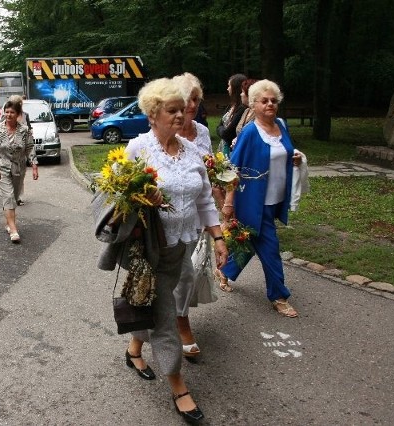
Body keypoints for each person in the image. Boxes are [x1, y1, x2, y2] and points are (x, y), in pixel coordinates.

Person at [99, 78, 228, 423]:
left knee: (154, 300)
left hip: (184, 247)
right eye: (172, 111)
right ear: (153, 115)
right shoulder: (138, 149)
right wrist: (143, 196)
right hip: (151, 248)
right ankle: (178, 386)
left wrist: (218, 237)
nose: (181, 115)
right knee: (165, 316)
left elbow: (203, 199)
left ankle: (134, 349)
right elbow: (117, 196)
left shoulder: (192, 152)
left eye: (183, 110)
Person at [216, 79, 303, 317]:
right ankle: (279, 295)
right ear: (253, 104)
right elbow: (233, 168)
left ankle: (225, 270)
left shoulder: (281, 126)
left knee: (248, 241)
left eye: (274, 100)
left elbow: (282, 152)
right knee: (270, 247)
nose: (270, 104)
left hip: (274, 199)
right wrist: (229, 202)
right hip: (252, 201)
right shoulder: (250, 132)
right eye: (264, 101)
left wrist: (292, 159)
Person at [170, 72, 220, 359]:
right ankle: (181, 324)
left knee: (193, 271)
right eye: (187, 98)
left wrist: (224, 205)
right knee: (180, 274)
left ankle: (173, 318)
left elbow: (209, 173)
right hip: (172, 216)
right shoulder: (164, 132)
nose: (191, 105)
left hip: (199, 215)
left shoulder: (201, 132)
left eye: (196, 99)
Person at [0, 99, 38, 243]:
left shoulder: (24, 130)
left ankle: (8, 222)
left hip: (18, 168)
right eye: (6, 112)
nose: (8, 115)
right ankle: (13, 229)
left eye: (12, 112)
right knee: (8, 196)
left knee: (13, 197)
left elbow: (30, 148)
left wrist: (34, 165)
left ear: (18, 114)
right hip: (1, 168)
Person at [216, 73, 247, 156]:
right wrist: (221, 129)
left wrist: (221, 130)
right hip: (223, 147)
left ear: (235, 88)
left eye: (229, 86)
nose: (227, 89)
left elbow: (227, 134)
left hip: (231, 150)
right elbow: (219, 126)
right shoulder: (231, 106)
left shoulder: (242, 109)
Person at [233, 78, 259, 148]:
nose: (241, 95)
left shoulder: (258, 115)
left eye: (242, 92)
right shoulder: (246, 111)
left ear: (249, 95)